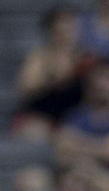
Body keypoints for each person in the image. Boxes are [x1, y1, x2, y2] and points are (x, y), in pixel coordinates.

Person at [14, 6, 87, 140]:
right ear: (50, 31)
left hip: (75, 121)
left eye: (70, 30)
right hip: (42, 117)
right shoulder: (39, 58)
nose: (65, 36)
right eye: (60, 31)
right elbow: (26, 87)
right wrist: (54, 79)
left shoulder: (84, 58)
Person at [55, 64, 109, 177]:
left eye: (107, 89)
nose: (103, 92)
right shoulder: (76, 115)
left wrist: (78, 143)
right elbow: (62, 149)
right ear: (90, 88)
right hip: (76, 172)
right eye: (98, 88)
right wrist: (102, 146)